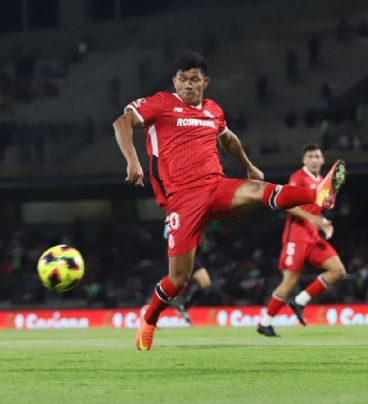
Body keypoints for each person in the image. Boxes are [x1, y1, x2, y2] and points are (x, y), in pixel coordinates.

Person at [113, 53, 346, 351]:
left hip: (216, 186)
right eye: (182, 79)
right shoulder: (160, 103)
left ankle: (319, 195)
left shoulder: (213, 111)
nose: (187, 85)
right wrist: (133, 161)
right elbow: (122, 122)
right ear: (174, 81)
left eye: (194, 79)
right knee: (179, 279)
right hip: (182, 200)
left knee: (260, 190)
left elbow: (228, 139)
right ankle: (149, 317)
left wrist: (248, 166)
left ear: (205, 83)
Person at [257, 144, 347, 337]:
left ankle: (300, 301)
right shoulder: (298, 177)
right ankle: (265, 323)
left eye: (317, 156)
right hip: (296, 236)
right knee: (290, 280)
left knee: (338, 271)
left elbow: (317, 209)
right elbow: (287, 204)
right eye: (310, 156)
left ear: (322, 160)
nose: (314, 160)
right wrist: (313, 219)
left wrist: (322, 222)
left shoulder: (323, 181)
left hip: (313, 236)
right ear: (304, 160)